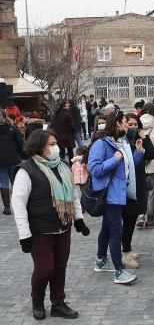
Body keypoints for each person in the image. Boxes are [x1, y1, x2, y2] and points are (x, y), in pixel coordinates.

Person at [11, 130, 90, 320]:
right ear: (39, 146)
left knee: (60, 267)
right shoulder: (26, 169)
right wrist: (24, 235)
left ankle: (58, 303)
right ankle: (37, 300)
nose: (56, 147)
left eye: (56, 143)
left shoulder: (62, 165)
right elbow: (18, 203)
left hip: (63, 225)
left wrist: (78, 219)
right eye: (52, 144)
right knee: (44, 269)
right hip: (39, 230)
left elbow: (72, 193)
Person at [88, 111, 144, 284]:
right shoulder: (101, 143)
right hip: (109, 195)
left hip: (118, 194)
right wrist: (114, 159)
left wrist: (138, 153)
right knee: (116, 231)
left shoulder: (120, 142)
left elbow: (125, 169)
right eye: (127, 124)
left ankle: (100, 261)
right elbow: (94, 169)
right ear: (118, 124)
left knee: (107, 228)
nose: (129, 127)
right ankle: (119, 271)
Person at [121, 113, 154, 269]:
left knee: (132, 217)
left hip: (139, 183)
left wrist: (145, 137)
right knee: (127, 220)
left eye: (136, 125)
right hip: (126, 185)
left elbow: (151, 154)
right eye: (130, 124)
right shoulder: (121, 141)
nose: (133, 127)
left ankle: (127, 247)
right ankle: (125, 251)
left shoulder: (138, 139)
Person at [0, 110, 23, 215]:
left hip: (1, 162)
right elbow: (20, 142)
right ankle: (19, 206)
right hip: (14, 159)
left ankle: (7, 207)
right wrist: (18, 154)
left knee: (4, 183)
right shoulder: (13, 129)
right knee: (16, 183)